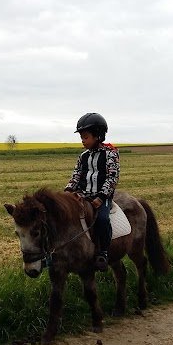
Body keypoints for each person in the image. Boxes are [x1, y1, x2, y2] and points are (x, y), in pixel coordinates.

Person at [64, 112, 120, 271]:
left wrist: (101, 197)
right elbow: (76, 176)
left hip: (102, 197)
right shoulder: (83, 156)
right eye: (81, 137)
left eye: (85, 137)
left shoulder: (110, 154)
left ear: (98, 135)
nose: (82, 141)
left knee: (102, 219)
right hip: (83, 195)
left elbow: (112, 178)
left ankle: (103, 252)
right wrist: (68, 191)